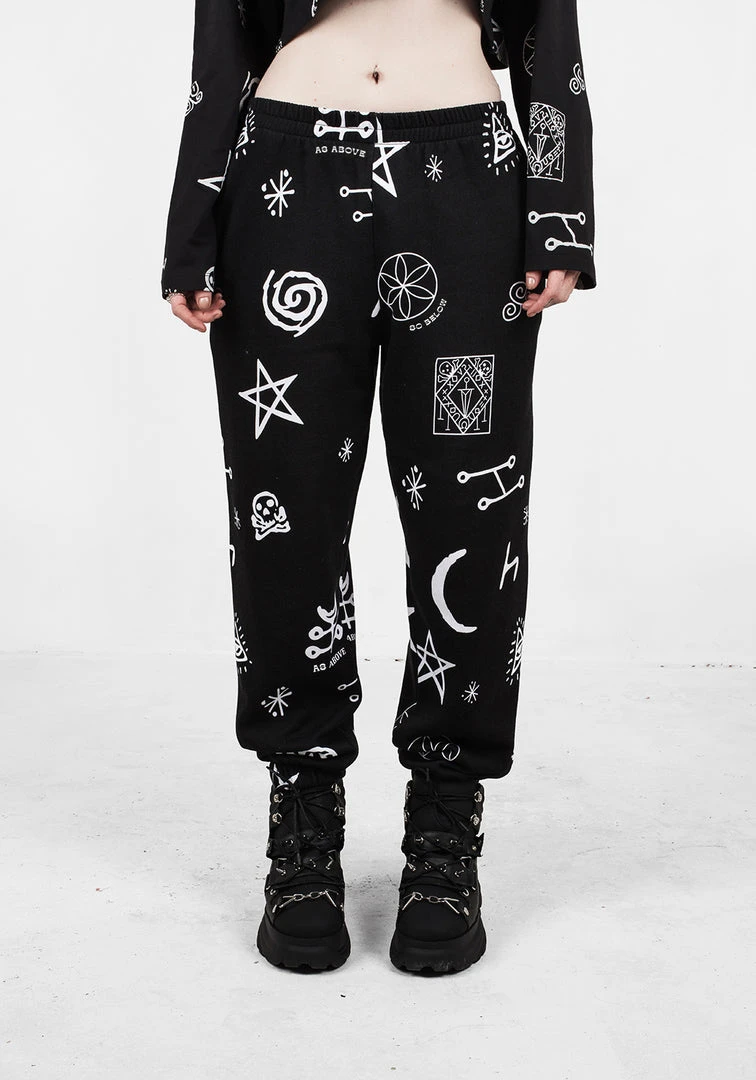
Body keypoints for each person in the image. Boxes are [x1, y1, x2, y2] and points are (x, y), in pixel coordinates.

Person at [160, 0, 596, 976]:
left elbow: (549, 26)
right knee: (286, 510)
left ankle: (445, 818)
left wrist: (560, 209)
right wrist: (192, 224)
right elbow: (221, 38)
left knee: (471, 515)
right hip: (286, 175)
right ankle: (303, 811)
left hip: (466, 175)